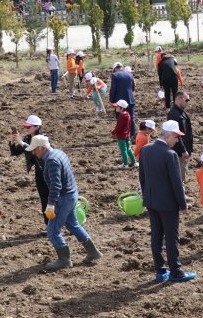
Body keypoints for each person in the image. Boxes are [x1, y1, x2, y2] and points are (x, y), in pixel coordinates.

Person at [27, 135, 101, 270]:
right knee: (73, 224)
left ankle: (64, 259)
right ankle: (93, 252)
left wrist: (50, 204)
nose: (33, 152)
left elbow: (56, 186)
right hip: (72, 194)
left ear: (41, 148)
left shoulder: (51, 161)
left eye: (35, 150)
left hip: (63, 198)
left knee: (52, 230)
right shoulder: (59, 153)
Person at [137, 121, 196, 283]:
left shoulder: (146, 150)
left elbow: (142, 177)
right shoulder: (169, 155)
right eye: (176, 137)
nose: (177, 140)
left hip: (151, 201)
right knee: (171, 237)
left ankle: (160, 270)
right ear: (167, 136)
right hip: (168, 204)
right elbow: (176, 183)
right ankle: (176, 271)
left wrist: (146, 198)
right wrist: (183, 205)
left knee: (156, 235)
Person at [9, 115, 48, 221]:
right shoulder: (28, 138)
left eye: (28, 127)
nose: (26, 129)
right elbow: (15, 152)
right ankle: (49, 225)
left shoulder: (42, 137)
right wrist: (13, 141)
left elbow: (35, 151)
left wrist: (21, 142)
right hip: (39, 172)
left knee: (50, 199)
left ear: (36, 127)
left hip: (48, 171)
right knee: (44, 199)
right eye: (26, 127)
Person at [166, 92, 195, 181]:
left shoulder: (181, 112)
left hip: (184, 149)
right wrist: (183, 150)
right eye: (186, 100)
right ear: (179, 98)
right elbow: (175, 134)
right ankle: (181, 192)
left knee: (182, 171)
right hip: (179, 151)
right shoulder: (174, 114)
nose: (187, 102)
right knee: (179, 174)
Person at [108, 62, 137, 131]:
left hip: (119, 100)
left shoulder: (114, 75)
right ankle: (133, 133)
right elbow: (133, 86)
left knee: (120, 117)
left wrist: (111, 100)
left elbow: (113, 89)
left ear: (114, 69)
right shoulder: (129, 74)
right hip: (130, 98)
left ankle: (122, 131)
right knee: (131, 117)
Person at [112, 100, 136, 169]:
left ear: (121, 108)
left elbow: (118, 127)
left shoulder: (121, 117)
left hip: (121, 136)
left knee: (123, 150)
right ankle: (134, 162)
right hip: (127, 135)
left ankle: (125, 164)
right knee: (128, 149)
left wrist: (113, 132)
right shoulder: (127, 114)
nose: (115, 108)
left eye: (117, 107)